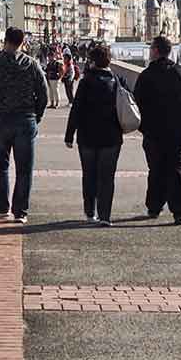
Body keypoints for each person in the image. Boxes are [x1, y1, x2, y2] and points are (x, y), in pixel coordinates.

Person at [0, 26, 49, 223]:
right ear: (22, 42)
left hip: (0, 120)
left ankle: (1, 207)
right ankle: (20, 211)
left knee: (1, 165)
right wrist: (37, 115)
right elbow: (43, 93)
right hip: (25, 120)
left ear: (5, 40)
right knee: (24, 168)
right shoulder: (31, 64)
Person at [132, 34, 181, 224]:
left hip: (154, 132)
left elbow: (137, 104)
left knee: (156, 169)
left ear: (155, 51)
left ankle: (154, 207)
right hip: (179, 132)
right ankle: (178, 211)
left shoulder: (146, 75)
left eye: (151, 48)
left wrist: (144, 128)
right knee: (178, 170)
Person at [64, 42, 125, 225]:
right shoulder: (118, 81)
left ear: (92, 62)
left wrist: (69, 135)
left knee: (89, 174)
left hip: (87, 137)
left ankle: (90, 211)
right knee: (107, 176)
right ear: (109, 61)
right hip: (111, 137)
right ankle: (105, 215)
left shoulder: (85, 83)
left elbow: (76, 110)